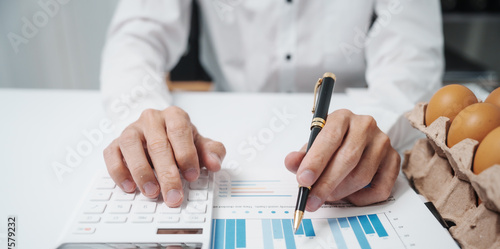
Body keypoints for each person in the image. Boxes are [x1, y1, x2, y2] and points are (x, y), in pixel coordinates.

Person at [100, 0, 444, 211]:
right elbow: (136, 36)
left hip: (352, 119)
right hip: (231, 122)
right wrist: (143, 114)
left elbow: (411, 56)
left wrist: (377, 125)